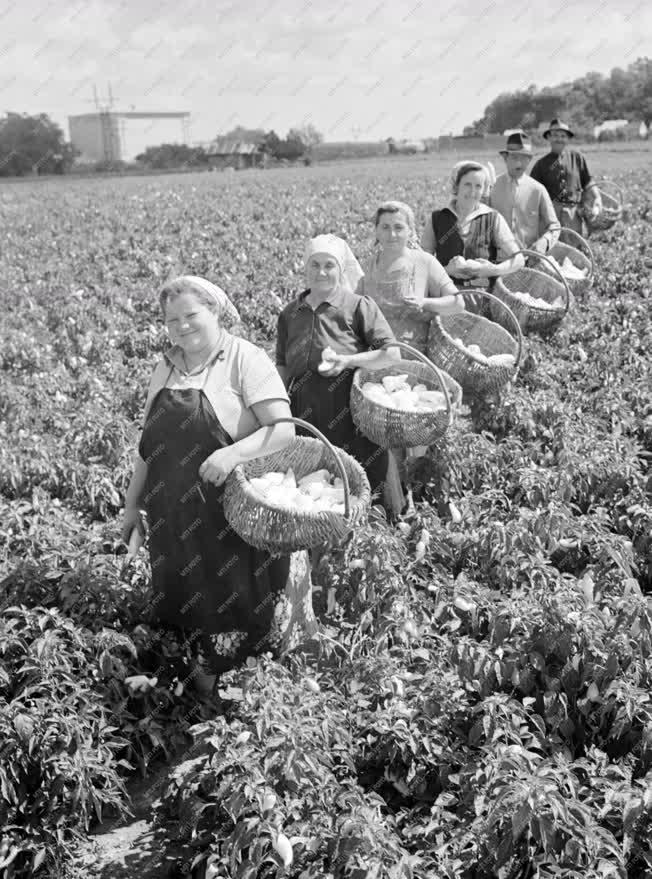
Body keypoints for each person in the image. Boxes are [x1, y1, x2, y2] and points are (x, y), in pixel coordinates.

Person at [121, 275, 317, 696]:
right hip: (171, 514)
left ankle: (233, 696)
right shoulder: (166, 367)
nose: (181, 326)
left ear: (217, 312)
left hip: (226, 516)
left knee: (232, 599)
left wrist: (232, 455)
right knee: (184, 594)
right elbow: (147, 447)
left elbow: (283, 430)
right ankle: (193, 686)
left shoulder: (244, 359)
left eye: (191, 315)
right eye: (171, 319)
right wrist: (131, 503)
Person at [275, 234, 400, 510]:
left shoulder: (358, 306)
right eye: (314, 265)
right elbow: (282, 365)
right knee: (316, 484)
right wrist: (278, 409)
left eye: (329, 265)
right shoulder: (289, 314)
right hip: (305, 408)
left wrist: (348, 361)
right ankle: (322, 543)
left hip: (350, 406)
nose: (321, 272)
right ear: (305, 269)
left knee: (362, 474)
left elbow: (391, 354)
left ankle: (374, 531)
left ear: (341, 270)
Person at [358, 200, 464, 354]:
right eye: (385, 227)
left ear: (410, 231)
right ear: (377, 231)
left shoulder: (425, 262)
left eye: (399, 227)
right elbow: (352, 313)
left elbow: (457, 303)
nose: (392, 234)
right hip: (376, 355)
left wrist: (424, 302)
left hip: (418, 358)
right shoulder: (366, 267)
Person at [421, 161, 524, 292]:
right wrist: (446, 270)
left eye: (478, 186)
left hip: (484, 298)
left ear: (484, 190)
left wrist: (492, 270)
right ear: (456, 186)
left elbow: (519, 259)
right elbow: (422, 264)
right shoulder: (437, 218)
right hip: (445, 297)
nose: (472, 191)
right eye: (467, 184)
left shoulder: (493, 218)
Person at [488, 131, 561, 253]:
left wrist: (544, 242)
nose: (519, 163)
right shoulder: (492, 187)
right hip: (499, 258)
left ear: (530, 160)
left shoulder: (538, 190)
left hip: (530, 257)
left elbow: (554, 226)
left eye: (524, 158)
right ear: (505, 158)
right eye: (514, 157)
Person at [529, 119, 602, 235]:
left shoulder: (577, 158)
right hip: (550, 217)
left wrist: (597, 198)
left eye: (563, 136)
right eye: (555, 135)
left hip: (573, 216)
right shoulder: (540, 165)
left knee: (575, 249)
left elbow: (588, 182)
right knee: (553, 250)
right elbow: (532, 193)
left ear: (567, 139)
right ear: (548, 137)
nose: (559, 139)